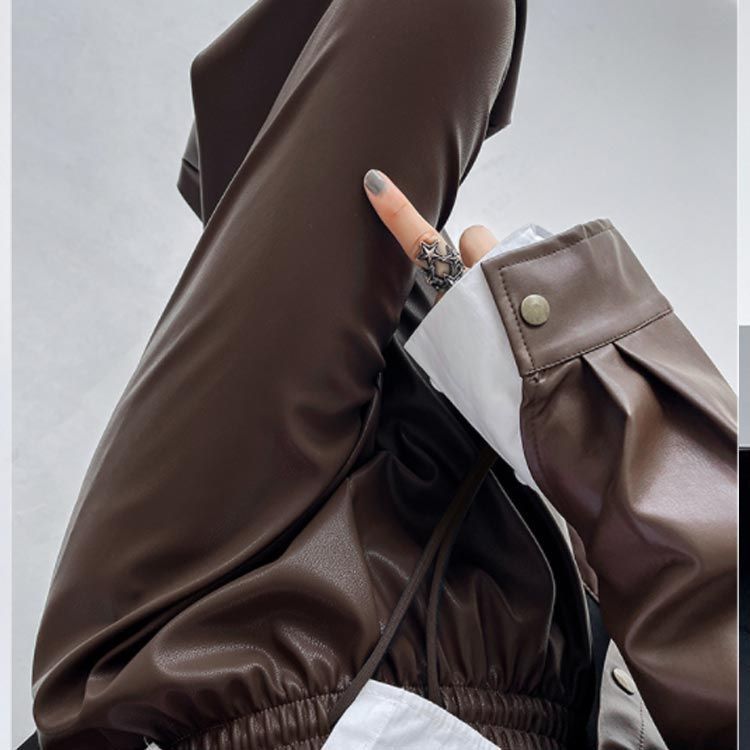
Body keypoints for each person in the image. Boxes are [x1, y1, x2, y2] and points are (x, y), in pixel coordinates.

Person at [26, 0, 735, 748]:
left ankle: (248, 161)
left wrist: (587, 403)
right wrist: (573, 437)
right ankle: (251, 161)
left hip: (205, 654)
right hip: (484, 639)